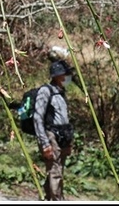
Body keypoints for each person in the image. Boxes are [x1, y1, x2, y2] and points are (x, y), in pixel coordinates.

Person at [33, 59, 75, 201]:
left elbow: (64, 118)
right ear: (57, 76)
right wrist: (45, 144)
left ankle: (49, 198)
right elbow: (38, 118)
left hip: (63, 136)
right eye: (65, 74)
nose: (68, 77)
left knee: (57, 171)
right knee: (55, 171)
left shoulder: (61, 92)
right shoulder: (46, 91)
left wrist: (68, 142)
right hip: (51, 136)